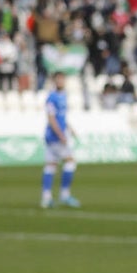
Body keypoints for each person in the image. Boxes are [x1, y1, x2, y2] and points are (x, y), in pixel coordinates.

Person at [41, 70, 80, 208]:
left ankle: (46, 198)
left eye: (62, 79)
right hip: (54, 136)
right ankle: (65, 195)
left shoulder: (63, 95)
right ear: (54, 81)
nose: (61, 82)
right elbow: (51, 118)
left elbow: (61, 117)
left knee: (50, 165)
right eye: (58, 79)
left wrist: (70, 128)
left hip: (54, 136)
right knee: (70, 162)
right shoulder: (51, 98)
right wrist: (61, 135)